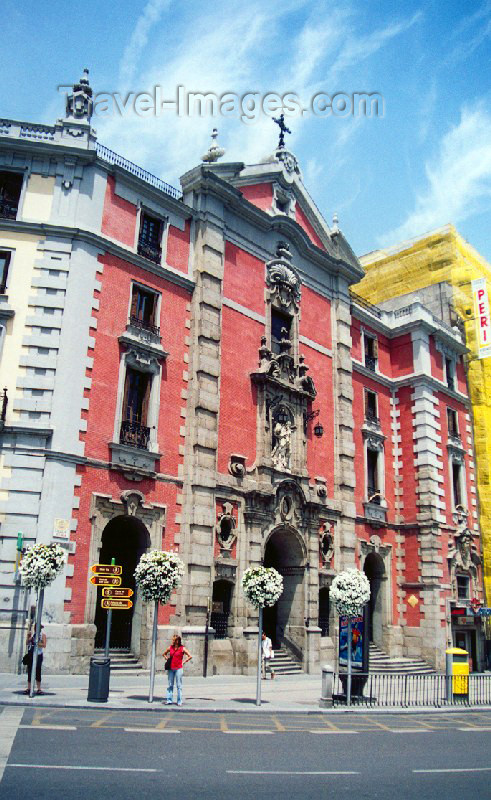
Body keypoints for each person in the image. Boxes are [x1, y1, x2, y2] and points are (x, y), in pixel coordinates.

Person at [163, 634, 192, 706]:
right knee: (170, 685)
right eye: (173, 640)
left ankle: (179, 701)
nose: (174, 641)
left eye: (175, 640)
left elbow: (190, 656)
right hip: (171, 668)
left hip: (178, 668)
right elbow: (164, 654)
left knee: (179, 686)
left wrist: (183, 662)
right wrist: (167, 659)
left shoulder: (182, 648)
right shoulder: (170, 647)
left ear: (178, 641)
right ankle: (169, 700)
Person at [25, 625, 46, 695]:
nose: (36, 629)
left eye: (37, 628)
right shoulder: (32, 635)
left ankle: (39, 689)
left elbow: (44, 645)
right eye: (35, 628)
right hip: (31, 654)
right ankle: (29, 688)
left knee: (38, 671)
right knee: (30, 671)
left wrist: (36, 643)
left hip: (38, 655)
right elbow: (27, 643)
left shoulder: (42, 635)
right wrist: (28, 638)